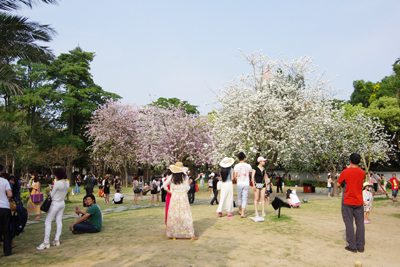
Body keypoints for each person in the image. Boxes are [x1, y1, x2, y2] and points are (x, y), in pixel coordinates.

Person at [337, 153, 365, 253]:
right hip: (359, 200)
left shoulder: (346, 171)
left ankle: (352, 245)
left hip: (348, 200)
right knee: (360, 223)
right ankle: (360, 245)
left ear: (350, 160)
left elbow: (338, 183)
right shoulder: (362, 172)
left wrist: (348, 169)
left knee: (349, 223)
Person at [37, 168, 70, 250]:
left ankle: (46, 242)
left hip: (55, 203)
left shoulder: (58, 183)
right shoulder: (67, 183)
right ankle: (56, 239)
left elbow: (51, 195)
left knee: (48, 221)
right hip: (62, 203)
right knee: (59, 221)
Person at [163, 162, 197, 240]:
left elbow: (164, 185)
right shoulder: (185, 177)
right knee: (185, 214)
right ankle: (190, 234)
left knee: (174, 214)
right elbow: (187, 188)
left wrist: (170, 191)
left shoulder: (171, 177)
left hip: (174, 196)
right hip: (183, 196)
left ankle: (174, 235)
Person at [233, 152, 252, 218]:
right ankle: (243, 213)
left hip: (239, 183)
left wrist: (237, 180)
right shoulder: (248, 166)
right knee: (245, 198)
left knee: (239, 198)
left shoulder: (236, 166)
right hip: (246, 183)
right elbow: (251, 174)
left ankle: (240, 210)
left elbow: (235, 176)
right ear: (244, 158)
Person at [0, 164, 13, 256]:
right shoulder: (4, 181)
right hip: (4, 207)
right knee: (6, 230)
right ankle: (7, 250)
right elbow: (10, 195)